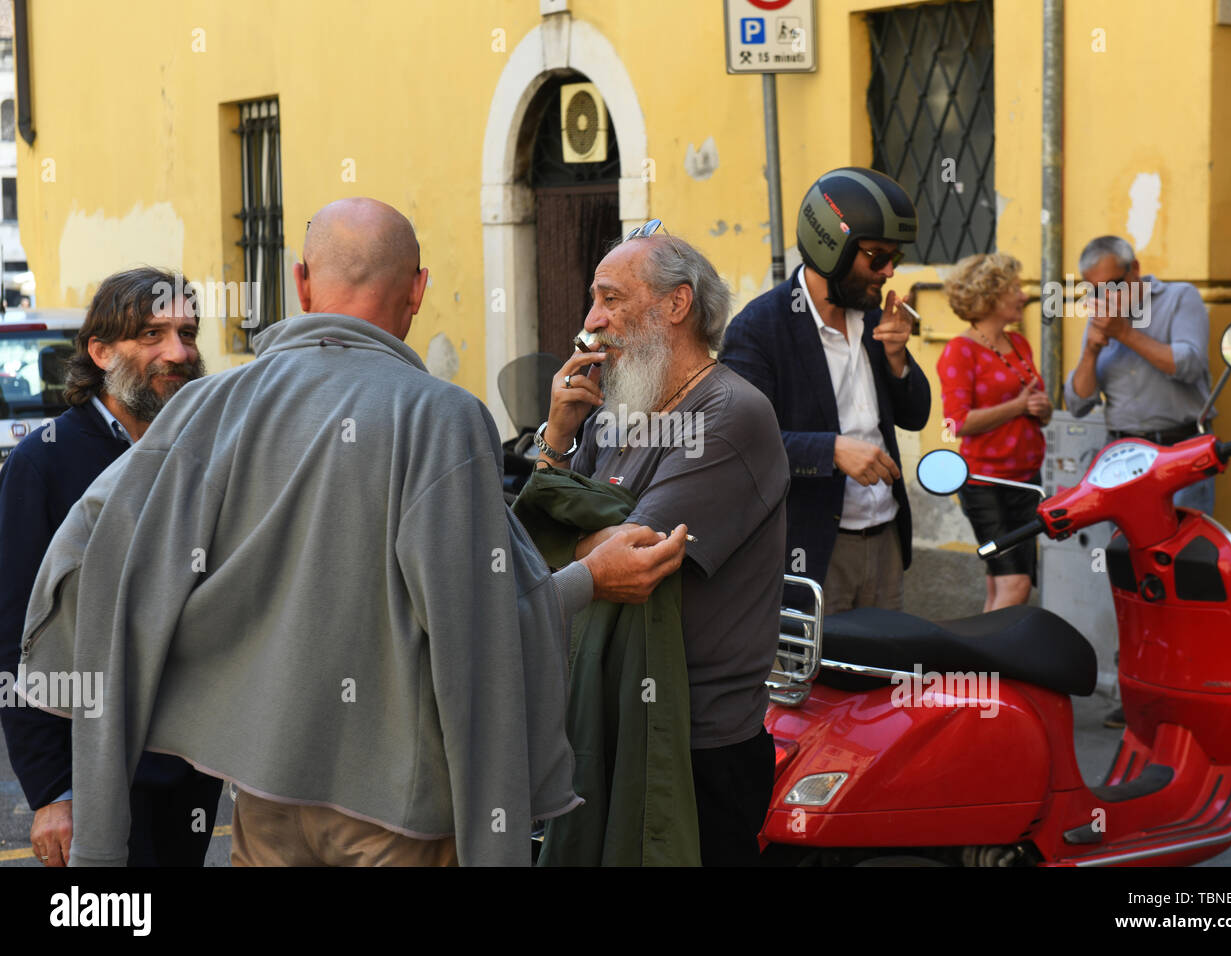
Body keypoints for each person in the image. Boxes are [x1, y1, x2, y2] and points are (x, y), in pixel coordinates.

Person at [17, 198, 686, 867]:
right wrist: (588, 581)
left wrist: (95, 839)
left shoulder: (206, 408)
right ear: (418, 291)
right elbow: (476, 636)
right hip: (399, 818)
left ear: (302, 283)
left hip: (264, 807)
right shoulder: (440, 419)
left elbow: (91, 571)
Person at [535, 221, 788, 865]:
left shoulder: (731, 412)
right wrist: (558, 438)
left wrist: (572, 534)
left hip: (696, 742)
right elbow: (545, 543)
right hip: (610, 716)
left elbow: (636, 560)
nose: (591, 323)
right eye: (595, 301)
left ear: (677, 304)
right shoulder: (618, 410)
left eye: (611, 299)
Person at [0, 266, 221, 867]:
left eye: (187, 332)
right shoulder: (42, 463)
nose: (177, 352)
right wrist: (51, 791)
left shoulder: (210, 451)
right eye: (152, 334)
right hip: (93, 772)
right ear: (100, 352)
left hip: (192, 768)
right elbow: (17, 633)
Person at [720, 167, 931, 615]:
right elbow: (736, 445)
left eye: (896, 256)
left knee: (882, 680)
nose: (890, 271)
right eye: (877, 257)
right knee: (816, 684)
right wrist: (831, 450)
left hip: (886, 538)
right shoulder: (760, 329)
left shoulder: (875, 317)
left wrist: (897, 359)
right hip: (812, 550)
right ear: (831, 247)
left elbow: (916, 416)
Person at [1065, 235, 1213, 729]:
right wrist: (1090, 350)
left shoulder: (1179, 299)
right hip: (1124, 463)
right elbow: (1077, 402)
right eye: (1092, 290)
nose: (1101, 298)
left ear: (1134, 273)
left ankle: (1193, 694)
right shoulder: (1102, 316)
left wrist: (1126, 333)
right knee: (1133, 578)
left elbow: (1188, 363)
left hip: (1177, 454)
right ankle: (1142, 694)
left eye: (1108, 285)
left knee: (1185, 576)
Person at [937, 253, 1052, 611]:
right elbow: (955, 423)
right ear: (989, 296)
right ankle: (995, 662)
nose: (1023, 295)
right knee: (1016, 584)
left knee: (999, 585)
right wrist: (1017, 407)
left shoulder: (1020, 344)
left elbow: (1037, 407)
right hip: (986, 485)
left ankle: (979, 654)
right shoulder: (960, 351)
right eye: (1014, 288)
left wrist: (1041, 409)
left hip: (1026, 481)